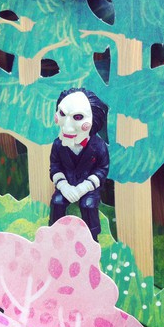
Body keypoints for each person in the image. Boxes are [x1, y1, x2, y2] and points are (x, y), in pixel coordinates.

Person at [49, 87, 109, 241]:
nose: (67, 126)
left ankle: (92, 238)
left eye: (77, 117)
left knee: (88, 205)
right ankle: (54, 236)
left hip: (88, 187)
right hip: (67, 183)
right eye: (62, 114)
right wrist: (64, 186)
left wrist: (84, 187)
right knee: (57, 202)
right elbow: (55, 167)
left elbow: (102, 169)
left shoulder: (98, 146)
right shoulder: (58, 144)